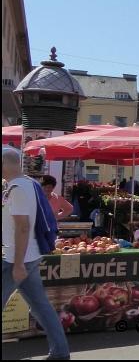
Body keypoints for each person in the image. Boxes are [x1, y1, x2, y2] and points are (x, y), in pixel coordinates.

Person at [2, 148, 71, 360]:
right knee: (41, 306)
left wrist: (18, 263)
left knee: (41, 306)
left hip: (16, 257)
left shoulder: (18, 188)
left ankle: (60, 352)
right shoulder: (27, 184)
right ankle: (60, 352)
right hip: (27, 255)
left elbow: (23, 227)